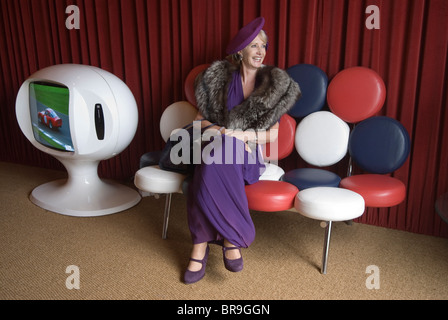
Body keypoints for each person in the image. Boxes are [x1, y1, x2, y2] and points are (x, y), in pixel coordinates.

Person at [184, 17, 301, 284]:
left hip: (248, 154)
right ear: (240, 51)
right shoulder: (219, 81)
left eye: (264, 46)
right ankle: (231, 238)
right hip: (215, 146)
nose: (260, 51)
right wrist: (224, 133)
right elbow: (200, 122)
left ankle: (199, 248)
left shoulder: (273, 85)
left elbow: (272, 134)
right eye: (254, 46)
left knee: (212, 162)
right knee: (215, 155)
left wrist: (241, 135)